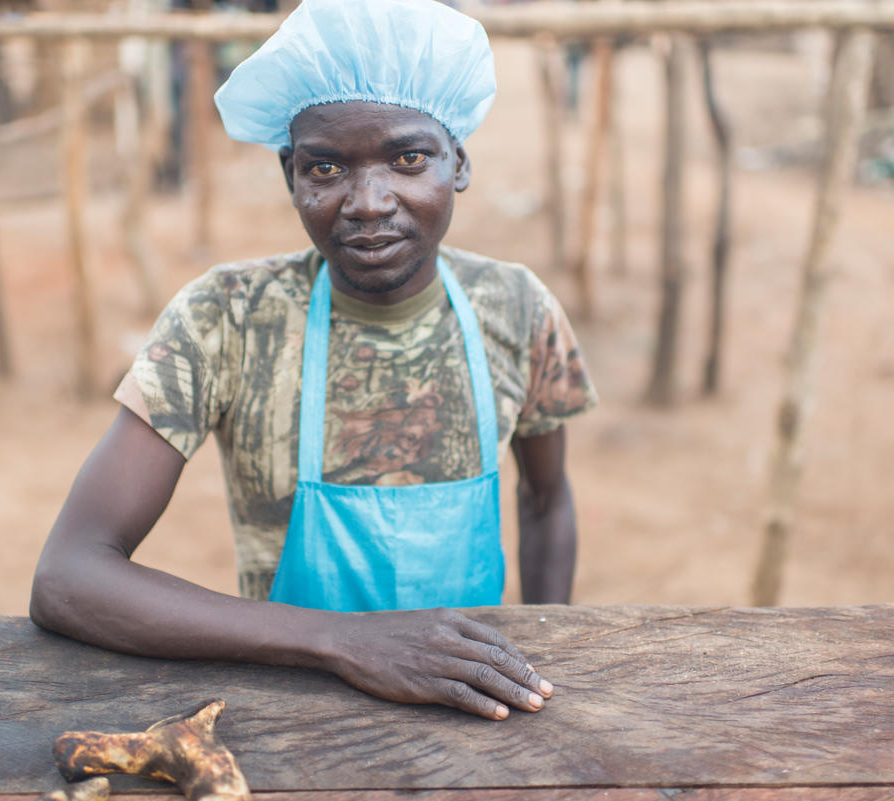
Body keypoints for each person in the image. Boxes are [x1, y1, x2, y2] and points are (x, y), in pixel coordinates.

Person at [31, 0, 595, 721]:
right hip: (293, 718)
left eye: (407, 158)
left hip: (475, 716)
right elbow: (69, 575)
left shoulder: (518, 309)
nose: (367, 202)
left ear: (459, 161)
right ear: (289, 173)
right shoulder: (226, 319)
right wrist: (342, 640)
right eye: (327, 166)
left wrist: (541, 658)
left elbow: (547, 500)